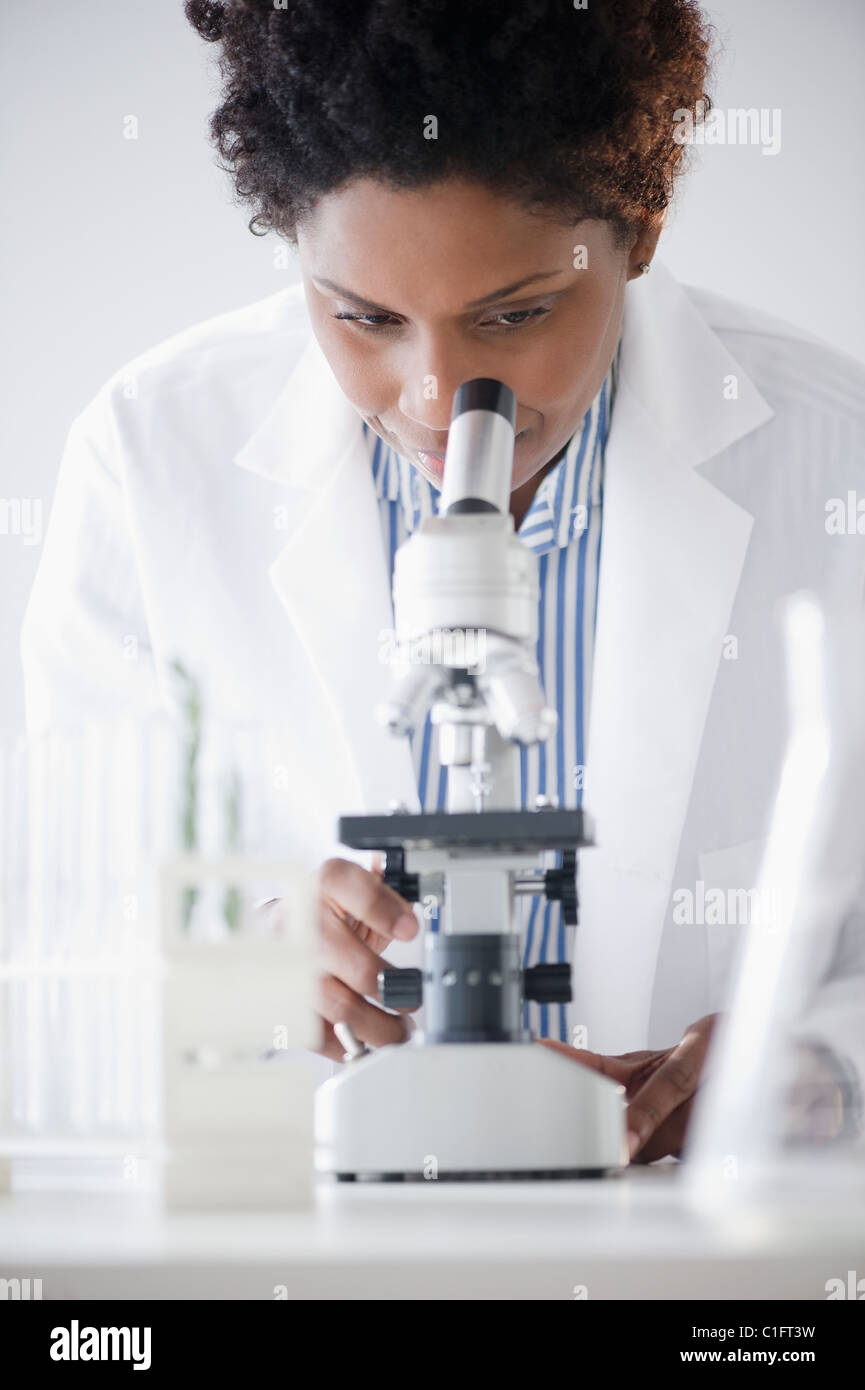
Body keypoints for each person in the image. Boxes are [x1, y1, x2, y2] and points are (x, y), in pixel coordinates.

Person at [20, 0, 865, 1161]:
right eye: (363, 316)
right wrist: (242, 973)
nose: (435, 397)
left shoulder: (837, 458)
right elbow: (52, 963)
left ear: (642, 227)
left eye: (515, 313)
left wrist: (818, 1063)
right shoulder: (147, 457)